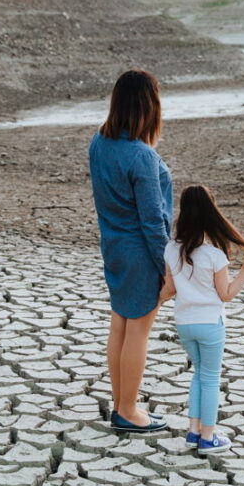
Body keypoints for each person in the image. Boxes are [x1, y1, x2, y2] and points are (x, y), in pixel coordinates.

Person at [89, 69, 172, 433]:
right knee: (137, 331)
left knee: (121, 326)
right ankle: (127, 411)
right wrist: (169, 268)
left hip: (114, 247)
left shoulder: (98, 142)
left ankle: (123, 404)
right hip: (141, 253)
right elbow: (154, 222)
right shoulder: (142, 156)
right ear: (150, 105)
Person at [158, 184, 244, 454]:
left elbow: (169, 290)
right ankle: (208, 437)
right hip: (209, 325)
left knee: (198, 375)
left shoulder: (171, 249)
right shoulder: (214, 255)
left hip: (184, 323)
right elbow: (226, 294)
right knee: (210, 378)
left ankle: (193, 433)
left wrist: (152, 301)